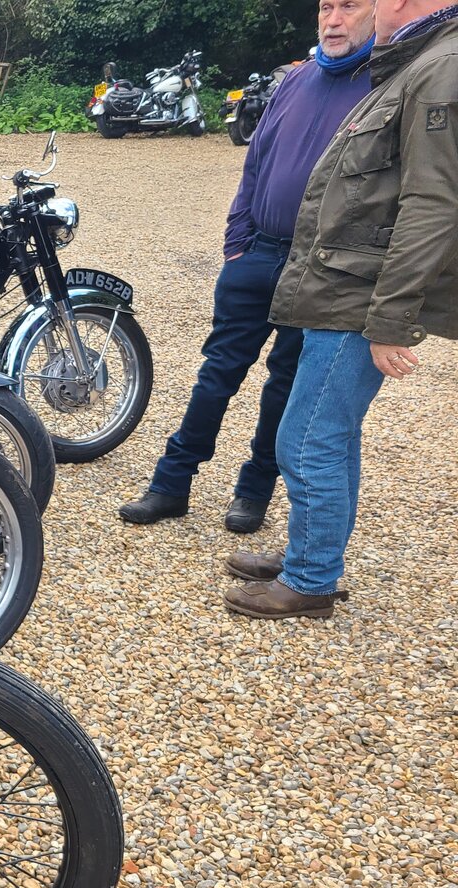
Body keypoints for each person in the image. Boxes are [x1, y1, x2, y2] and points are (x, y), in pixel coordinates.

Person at [224, 0, 458, 619]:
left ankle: (311, 581)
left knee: (308, 439)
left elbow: (434, 204)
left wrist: (391, 316)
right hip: (346, 288)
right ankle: (311, 555)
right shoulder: (417, 61)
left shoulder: (441, 66)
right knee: (329, 434)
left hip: (361, 296)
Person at [120, 0, 376, 534]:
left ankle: (254, 491)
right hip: (257, 252)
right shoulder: (296, 79)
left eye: (348, 7)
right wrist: (237, 241)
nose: (333, 20)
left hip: (319, 266)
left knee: (285, 382)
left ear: (377, 12)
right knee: (217, 374)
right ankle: (171, 484)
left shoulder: (383, 85)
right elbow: (256, 157)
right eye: (326, 7)